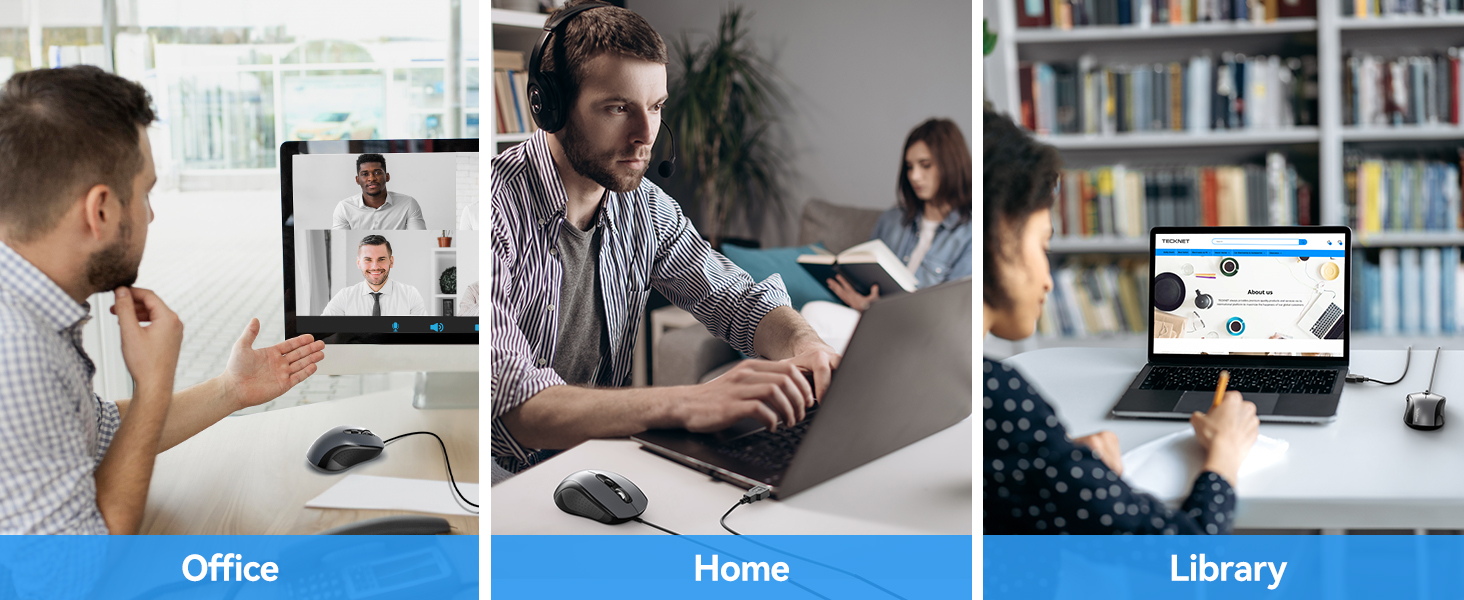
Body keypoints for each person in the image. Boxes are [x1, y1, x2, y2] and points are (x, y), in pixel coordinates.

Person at [491, 1, 840, 476]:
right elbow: (514, 404)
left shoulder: (647, 207)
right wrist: (691, 401)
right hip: (491, 480)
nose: (645, 135)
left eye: (655, 107)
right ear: (549, 107)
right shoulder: (488, 211)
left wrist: (807, 346)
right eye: (618, 108)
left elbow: (740, 300)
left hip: (591, 470)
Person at [0, 65, 326, 534]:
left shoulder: (30, 313)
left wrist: (231, 389)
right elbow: (77, 577)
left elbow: (98, 435)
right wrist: (152, 384)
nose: (152, 216)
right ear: (101, 210)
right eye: (145, 193)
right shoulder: (17, 350)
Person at [981, 110, 1260, 534]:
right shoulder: (999, 396)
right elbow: (1187, 554)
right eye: (1042, 244)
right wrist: (1224, 454)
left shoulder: (948, 380)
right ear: (1000, 230)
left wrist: (1061, 465)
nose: (1047, 282)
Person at [801, 118, 974, 353]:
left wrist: (883, 311)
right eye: (910, 167)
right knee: (813, 313)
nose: (914, 176)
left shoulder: (970, 232)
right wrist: (863, 302)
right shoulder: (893, 219)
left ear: (951, 165)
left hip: (921, 335)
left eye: (925, 165)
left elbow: (954, 314)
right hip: (873, 321)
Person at [321, 234, 426, 316]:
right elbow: (323, 329)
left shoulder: (410, 295)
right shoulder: (344, 297)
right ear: (358, 263)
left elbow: (422, 334)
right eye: (368, 260)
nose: (375, 266)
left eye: (381, 259)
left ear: (391, 261)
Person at [330, 154, 427, 230]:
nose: (371, 178)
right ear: (357, 180)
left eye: (377, 172)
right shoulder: (344, 208)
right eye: (365, 174)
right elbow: (340, 239)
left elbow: (418, 238)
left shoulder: (408, 204)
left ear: (387, 176)